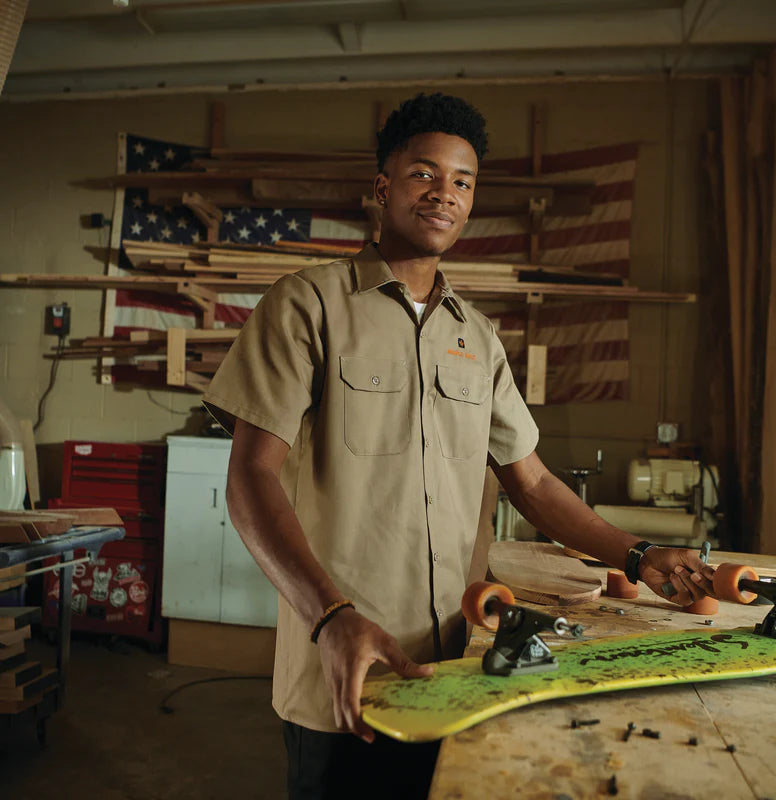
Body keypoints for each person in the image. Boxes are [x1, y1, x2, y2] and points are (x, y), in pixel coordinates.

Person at [202, 93, 715, 800]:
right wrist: (330, 617)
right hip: (348, 664)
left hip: (463, 663)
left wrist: (637, 554)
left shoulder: (476, 336)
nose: (445, 193)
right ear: (384, 188)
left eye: (464, 181)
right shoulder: (306, 306)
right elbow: (249, 480)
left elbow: (532, 484)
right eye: (425, 173)